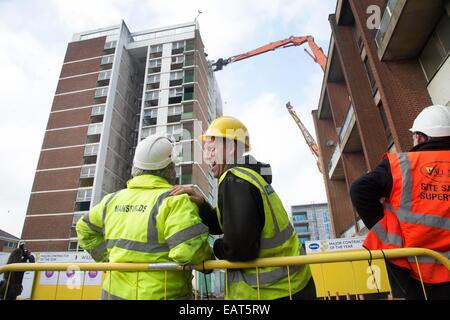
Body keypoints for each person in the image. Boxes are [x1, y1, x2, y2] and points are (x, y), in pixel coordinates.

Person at [171, 116, 316, 300]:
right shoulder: (249, 177)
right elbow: (225, 224)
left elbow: (240, 249)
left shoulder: (234, 180)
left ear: (231, 148)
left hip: (270, 293)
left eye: (212, 148)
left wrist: (214, 248)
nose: (208, 156)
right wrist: (202, 203)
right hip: (294, 286)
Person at [76, 135, 212, 300]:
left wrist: (106, 260)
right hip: (163, 294)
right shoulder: (175, 200)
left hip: (113, 293)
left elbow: (83, 228)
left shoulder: (110, 201)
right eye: (173, 167)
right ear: (168, 169)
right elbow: (189, 252)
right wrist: (209, 261)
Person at [350, 104, 450, 300]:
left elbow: (359, 189)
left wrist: (387, 231)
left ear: (420, 138)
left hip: (413, 269)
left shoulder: (401, 164)